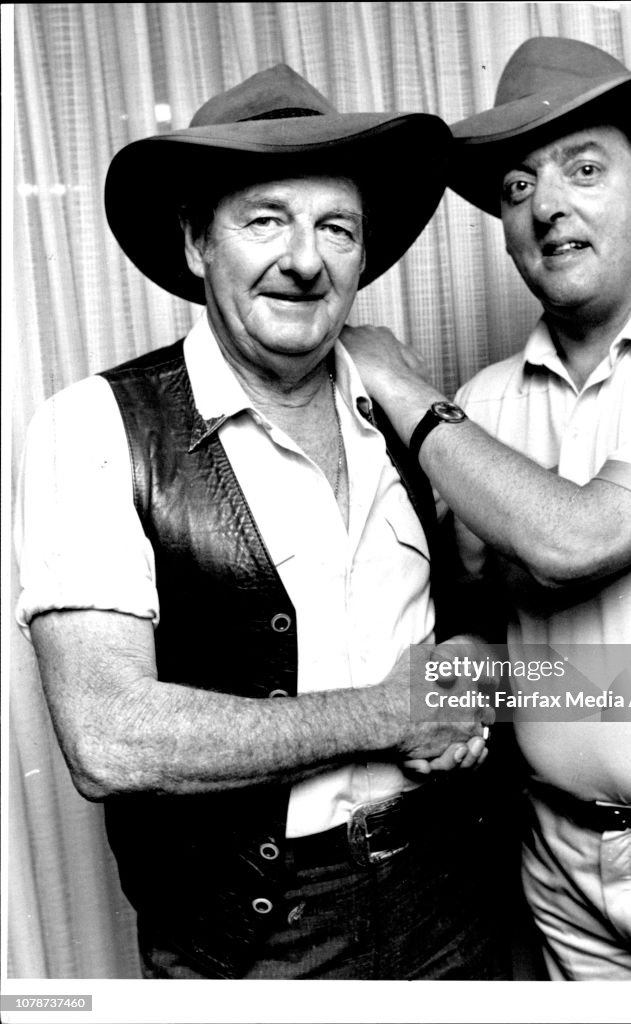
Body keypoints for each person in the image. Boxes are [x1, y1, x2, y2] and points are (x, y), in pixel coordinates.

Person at [14, 64, 509, 981]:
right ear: (199, 243)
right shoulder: (92, 427)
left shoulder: (401, 412)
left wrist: (474, 660)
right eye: (265, 219)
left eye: (335, 228)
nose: (305, 258)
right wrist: (391, 713)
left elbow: (470, 597)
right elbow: (108, 737)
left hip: (452, 894)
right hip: (257, 939)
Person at [342, 37, 631, 982]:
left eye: (584, 169)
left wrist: (403, 389)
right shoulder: (478, 408)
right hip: (558, 870)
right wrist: (461, 678)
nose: (547, 205)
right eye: (517, 189)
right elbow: (489, 622)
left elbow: (575, 542)